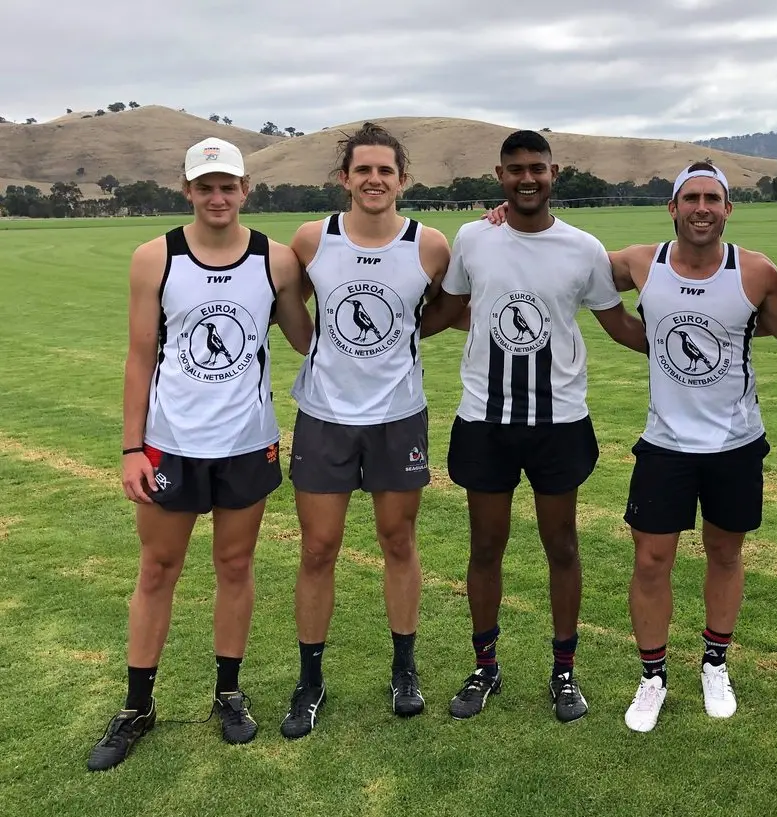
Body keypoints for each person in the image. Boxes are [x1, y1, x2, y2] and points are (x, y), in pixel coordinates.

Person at [89, 137, 313, 771]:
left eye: (229, 186)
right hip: (171, 444)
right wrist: (132, 447)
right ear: (187, 190)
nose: (218, 197)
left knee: (235, 567)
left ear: (246, 190)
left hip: (246, 443)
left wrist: (302, 283)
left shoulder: (276, 258)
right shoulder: (154, 258)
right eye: (205, 186)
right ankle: (138, 704)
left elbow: (302, 340)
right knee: (158, 570)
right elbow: (139, 357)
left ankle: (228, 692)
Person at [421, 130, 647, 724]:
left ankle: (564, 672)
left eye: (538, 169)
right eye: (516, 169)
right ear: (500, 174)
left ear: (555, 172)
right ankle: (486, 668)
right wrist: (383, 337)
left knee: (561, 545)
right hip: (485, 419)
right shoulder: (474, 237)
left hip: (558, 420)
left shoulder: (583, 248)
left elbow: (619, 326)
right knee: (486, 546)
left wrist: (700, 344)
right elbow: (447, 310)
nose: (528, 178)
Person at [612, 163, 777, 733]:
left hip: (735, 445)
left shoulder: (753, 272)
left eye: (713, 199)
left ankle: (714, 663)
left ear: (728, 209)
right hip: (665, 445)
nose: (702, 208)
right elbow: (566, 267)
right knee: (652, 560)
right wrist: (505, 223)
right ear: (672, 207)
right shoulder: (638, 263)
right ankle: (652, 676)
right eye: (691, 198)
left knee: (725, 556)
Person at [279, 123, 451, 739]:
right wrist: (313, 349)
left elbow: (445, 307)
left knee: (398, 541)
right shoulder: (311, 239)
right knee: (318, 548)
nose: (374, 180)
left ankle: (405, 669)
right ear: (345, 178)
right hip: (325, 417)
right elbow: (286, 301)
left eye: (386, 171)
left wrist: (403, 342)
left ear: (402, 180)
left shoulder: (429, 245)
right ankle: (310, 681)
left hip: (398, 417)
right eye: (363, 170)